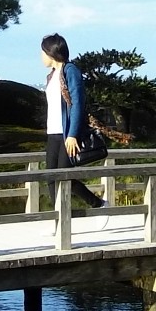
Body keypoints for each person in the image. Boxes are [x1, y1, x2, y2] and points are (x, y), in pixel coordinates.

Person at [39, 34, 102, 210]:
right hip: (53, 134)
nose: (41, 56)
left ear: (51, 52)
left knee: (65, 177)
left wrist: (73, 134)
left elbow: (77, 103)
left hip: (67, 134)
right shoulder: (51, 76)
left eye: (42, 52)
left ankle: (98, 204)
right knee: (51, 178)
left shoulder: (70, 70)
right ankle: (58, 219)